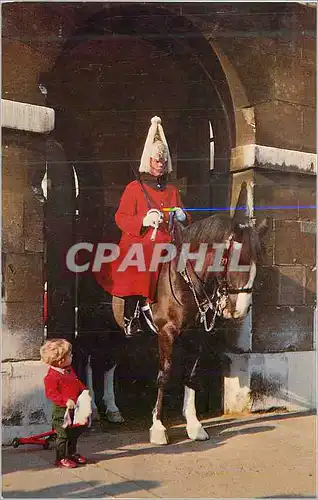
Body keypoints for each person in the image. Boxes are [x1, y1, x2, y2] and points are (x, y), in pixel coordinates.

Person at [94, 116, 189, 337]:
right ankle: (135, 313)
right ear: (149, 161)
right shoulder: (134, 188)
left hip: (170, 240)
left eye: (163, 162)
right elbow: (121, 217)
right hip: (140, 241)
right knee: (145, 256)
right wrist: (143, 221)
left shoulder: (172, 190)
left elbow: (184, 214)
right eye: (157, 161)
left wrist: (183, 215)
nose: (161, 165)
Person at [40, 338, 90, 468]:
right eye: (69, 355)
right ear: (61, 360)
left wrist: (83, 390)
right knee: (62, 435)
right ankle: (61, 458)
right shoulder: (52, 377)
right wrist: (65, 400)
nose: (72, 356)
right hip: (62, 410)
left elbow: (76, 381)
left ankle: (72, 453)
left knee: (74, 432)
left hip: (75, 407)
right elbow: (51, 394)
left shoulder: (68, 369)